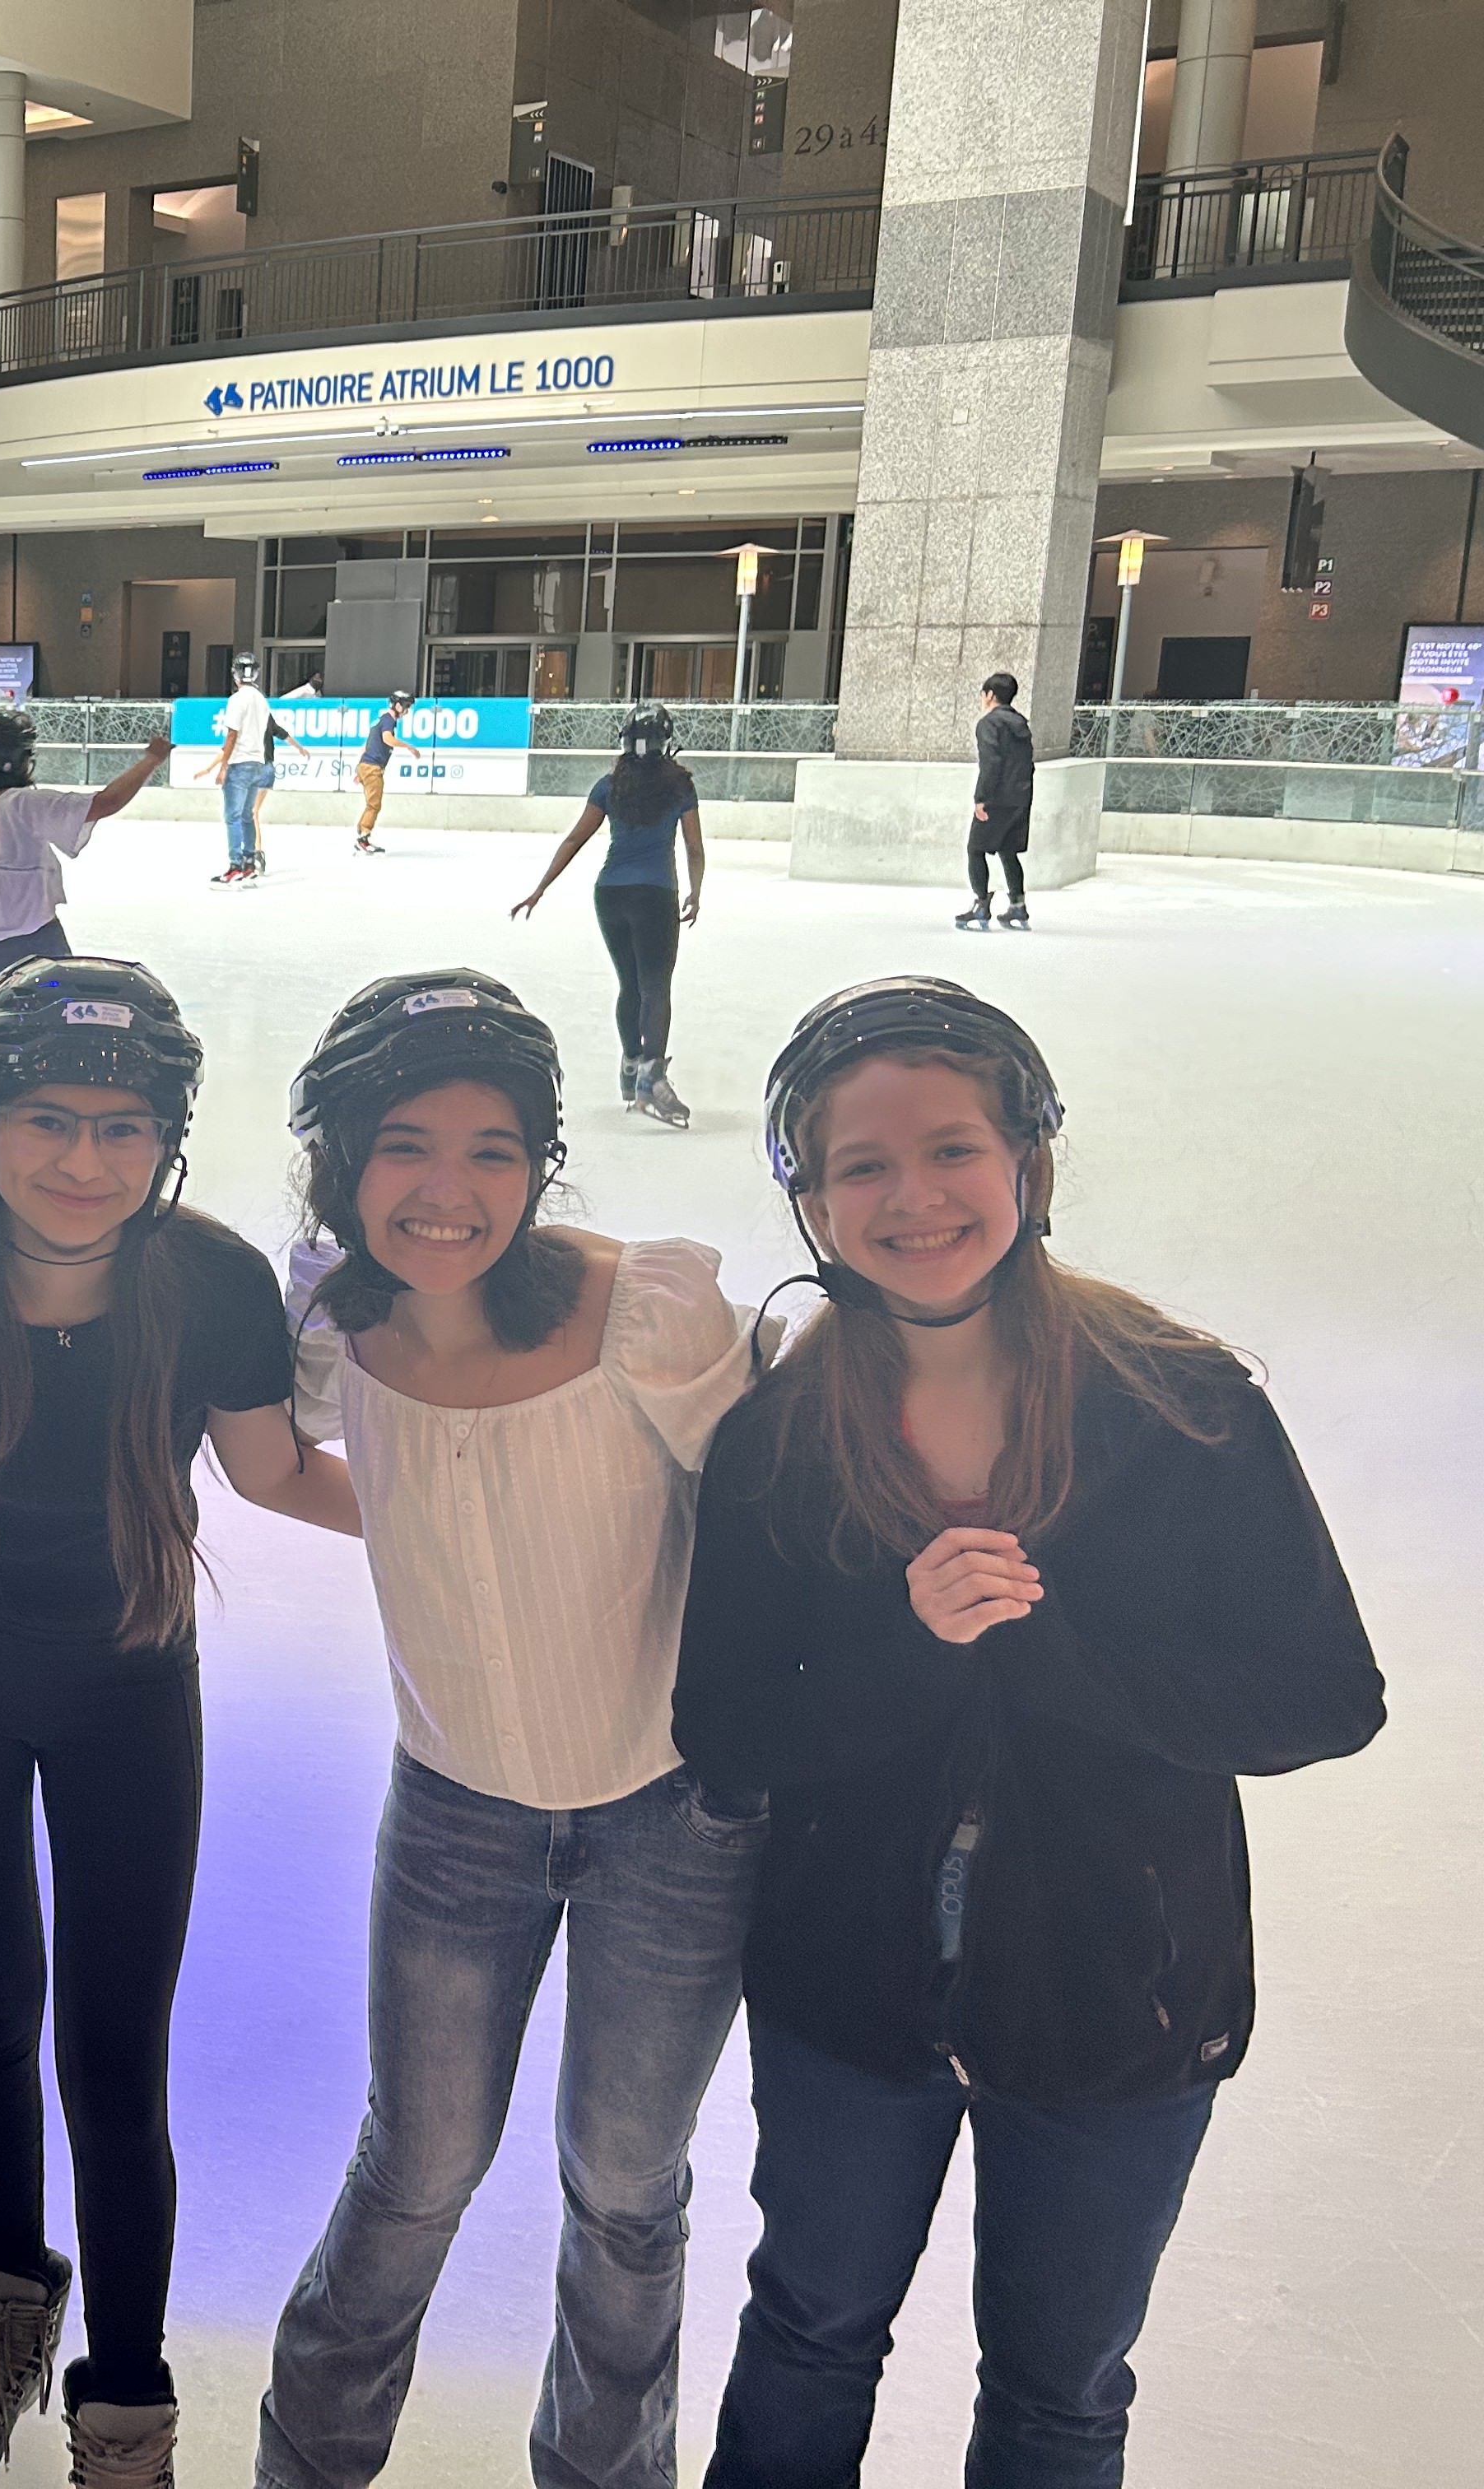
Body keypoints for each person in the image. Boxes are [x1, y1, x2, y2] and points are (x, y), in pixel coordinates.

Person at [676, 978, 1383, 2489]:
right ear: (805, 1193)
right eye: (857, 1164)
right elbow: (724, 1727)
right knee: (809, 2331)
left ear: (1026, 1161)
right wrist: (912, 1646)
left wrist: (1049, 1646)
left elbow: (1322, 1692)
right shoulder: (778, 1437)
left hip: (1118, 1997)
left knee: (1059, 2389)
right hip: (847, 1997)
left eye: (950, 1148)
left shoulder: (1178, 1403)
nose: (910, 1195)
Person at [256, 971, 771, 2489]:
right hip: (456, 1819)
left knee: (625, 2182)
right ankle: (309, 2465)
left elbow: (771, 1523)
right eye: (404, 1142)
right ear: (342, 1153)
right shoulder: (332, 1320)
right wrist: (430, 1534)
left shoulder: (649, 1310)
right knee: (412, 2170)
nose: (448, 1189)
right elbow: (284, 1467)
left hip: (672, 1819)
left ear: (540, 1164)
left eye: (494, 1148)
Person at [0, 962, 354, 2489]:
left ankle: (122, 2404)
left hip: (133, 1674)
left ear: (168, 1139)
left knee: (112, 2052)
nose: (85, 1160)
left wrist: (483, 1523)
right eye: (47, 1119)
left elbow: (275, 1473)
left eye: (124, 1127)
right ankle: (6, 2319)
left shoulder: (204, 1282)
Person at [510, 700, 707, 1131]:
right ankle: (651, 1078)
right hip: (655, 895)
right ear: (666, 741)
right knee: (656, 987)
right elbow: (693, 846)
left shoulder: (610, 785)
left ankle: (631, 1063)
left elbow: (575, 839)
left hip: (611, 895)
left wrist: (542, 887)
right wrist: (696, 888)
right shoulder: (680, 786)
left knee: (629, 985)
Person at [0, 709, 173, 1007]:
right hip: (40, 951)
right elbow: (105, 802)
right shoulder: (23, 804)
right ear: (23, 758)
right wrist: (152, 760)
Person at [198, 654, 304, 886]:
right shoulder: (260, 699)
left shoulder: (237, 700)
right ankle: (249, 863)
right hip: (258, 763)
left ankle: (235, 866)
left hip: (240, 764)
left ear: (235, 674)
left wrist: (223, 766)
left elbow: (233, 734)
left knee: (233, 817)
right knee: (247, 816)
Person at [965, 670, 1034, 931]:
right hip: (1020, 797)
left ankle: (981, 904)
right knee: (1008, 851)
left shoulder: (989, 724)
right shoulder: (1021, 725)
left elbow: (991, 763)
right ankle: (1018, 905)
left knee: (975, 849)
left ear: (990, 695)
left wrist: (981, 799)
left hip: (997, 798)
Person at [352, 692, 412, 856]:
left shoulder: (380, 720)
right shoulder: (388, 721)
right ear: (398, 706)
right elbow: (387, 739)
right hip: (372, 767)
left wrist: (360, 769)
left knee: (372, 804)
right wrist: (408, 747)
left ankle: (362, 834)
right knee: (374, 805)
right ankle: (363, 839)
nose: (407, 711)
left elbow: (367, 745)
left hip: (366, 766)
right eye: (406, 707)